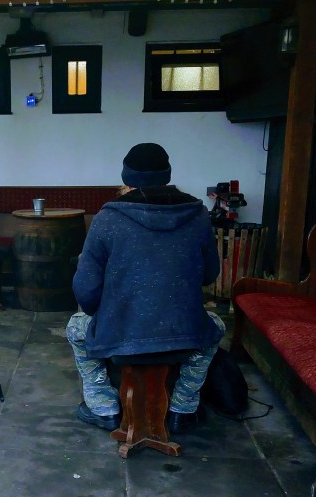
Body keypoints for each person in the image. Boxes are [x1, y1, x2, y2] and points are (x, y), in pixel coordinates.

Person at [66, 142, 225, 433]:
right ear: (167, 175)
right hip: (183, 332)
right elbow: (210, 275)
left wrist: (101, 312)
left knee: (76, 327)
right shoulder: (198, 215)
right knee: (215, 327)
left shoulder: (108, 219)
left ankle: (103, 407)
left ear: (126, 178)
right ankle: (183, 408)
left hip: (122, 333)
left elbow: (86, 290)